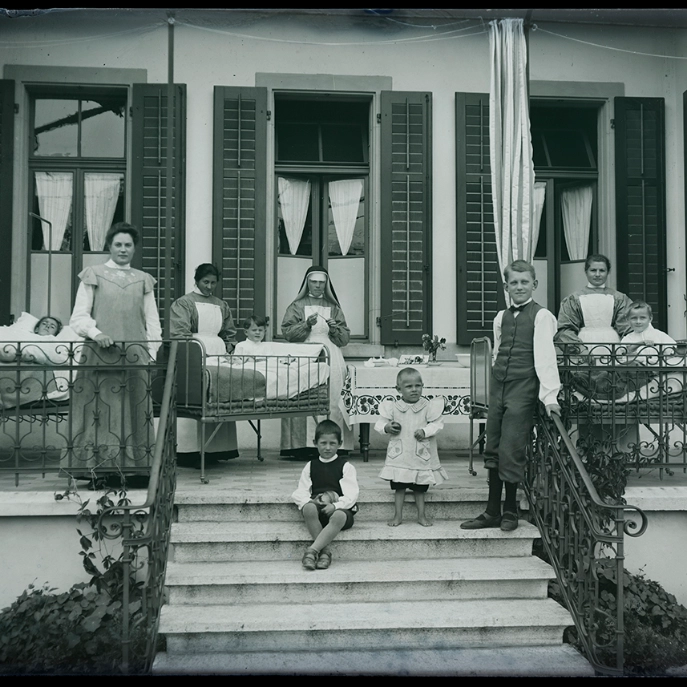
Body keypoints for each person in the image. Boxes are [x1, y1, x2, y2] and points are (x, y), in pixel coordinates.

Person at [461, 260, 561, 532]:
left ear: (534, 285)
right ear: (506, 286)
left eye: (524, 282)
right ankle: (491, 511)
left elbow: (545, 359)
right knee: (492, 446)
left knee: (511, 450)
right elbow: (499, 352)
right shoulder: (500, 316)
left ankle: (510, 510)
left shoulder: (542, 316)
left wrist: (550, 396)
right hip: (499, 388)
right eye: (514, 283)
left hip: (523, 388)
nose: (519, 287)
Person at [64, 222, 162, 488]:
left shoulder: (143, 279)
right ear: (109, 246)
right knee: (101, 412)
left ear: (134, 248)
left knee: (135, 411)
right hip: (99, 354)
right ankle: (99, 472)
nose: (123, 249)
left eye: (128, 245)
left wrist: (151, 353)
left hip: (133, 356)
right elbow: (78, 317)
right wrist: (97, 334)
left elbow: (152, 322)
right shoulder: (93, 275)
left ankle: (136, 470)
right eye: (118, 244)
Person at [169, 263, 239, 468]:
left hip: (218, 352)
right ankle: (188, 451)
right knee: (197, 396)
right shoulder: (184, 303)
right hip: (195, 352)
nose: (209, 286)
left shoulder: (221, 305)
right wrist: (194, 349)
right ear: (197, 281)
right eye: (205, 282)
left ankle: (216, 449)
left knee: (217, 394)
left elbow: (229, 332)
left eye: (213, 283)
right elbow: (179, 332)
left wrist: (228, 347)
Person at [280, 265, 353, 459]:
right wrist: (306, 325)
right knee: (303, 393)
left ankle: (337, 444)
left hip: (332, 354)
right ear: (307, 283)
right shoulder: (297, 306)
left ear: (326, 284)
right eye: (314, 282)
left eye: (322, 283)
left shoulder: (334, 308)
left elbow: (344, 339)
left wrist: (335, 329)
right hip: (305, 353)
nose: (318, 286)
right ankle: (301, 445)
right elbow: (287, 333)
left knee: (334, 394)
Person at [375, 367, 448, 527]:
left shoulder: (428, 406)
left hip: (419, 454)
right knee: (399, 488)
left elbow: (437, 424)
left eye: (418, 386)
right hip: (400, 455)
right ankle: (397, 516)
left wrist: (425, 431)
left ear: (422, 386)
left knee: (419, 489)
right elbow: (380, 423)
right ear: (398, 389)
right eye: (409, 387)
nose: (414, 390)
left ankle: (421, 516)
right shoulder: (394, 407)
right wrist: (387, 427)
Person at [291, 419, 359, 571]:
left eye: (332, 443)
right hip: (319, 510)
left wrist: (335, 506)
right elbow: (300, 491)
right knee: (307, 508)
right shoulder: (311, 465)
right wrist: (312, 503)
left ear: (340, 443)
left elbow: (351, 495)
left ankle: (312, 551)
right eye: (323, 443)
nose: (327, 448)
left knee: (340, 516)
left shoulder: (346, 467)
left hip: (339, 511)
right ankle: (325, 552)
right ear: (315, 443)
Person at [555, 254, 633, 348]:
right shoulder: (574, 299)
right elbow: (565, 330)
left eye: (602, 271)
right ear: (586, 271)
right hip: (583, 346)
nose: (597, 274)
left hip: (613, 347)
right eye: (593, 270)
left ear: (608, 272)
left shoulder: (619, 298)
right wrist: (580, 350)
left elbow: (628, 328)